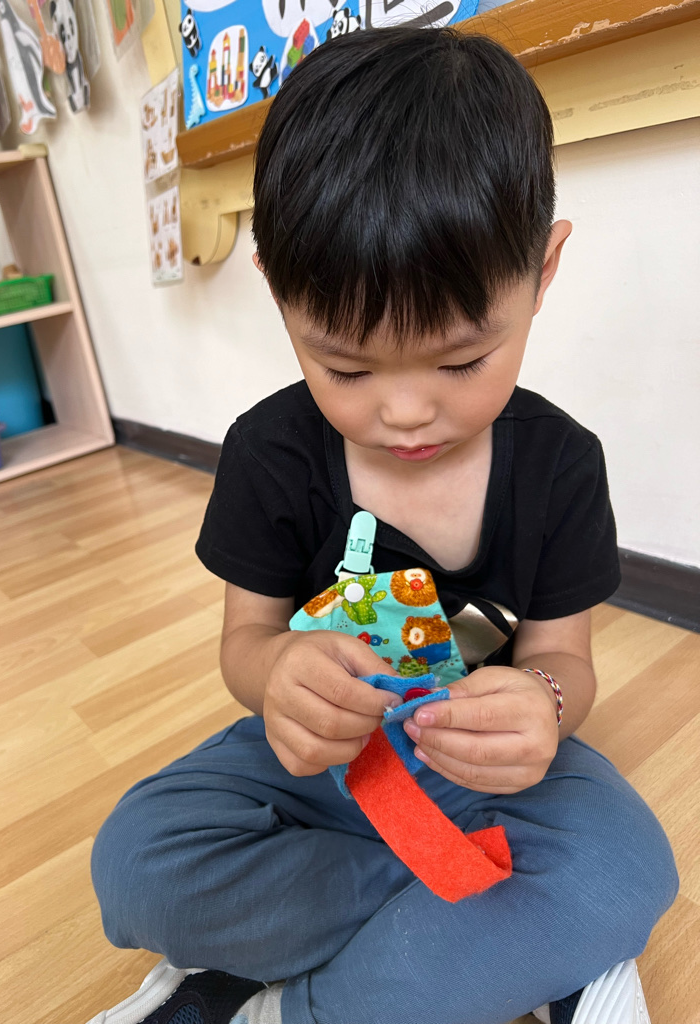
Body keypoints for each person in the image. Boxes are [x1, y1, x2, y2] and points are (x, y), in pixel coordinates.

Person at [87, 27, 678, 1024]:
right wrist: (279, 675)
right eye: (347, 368)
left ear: (542, 271)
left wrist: (543, 705)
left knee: (628, 866)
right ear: (278, 290)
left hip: (478, 777)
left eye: (460, 362)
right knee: (136, 862)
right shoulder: (269, 453)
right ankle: (483, 930)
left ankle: (285, 998)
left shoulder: (561, 465)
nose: (405, 413)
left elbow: (563, 660)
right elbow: (245, 644)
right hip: (316, 770)